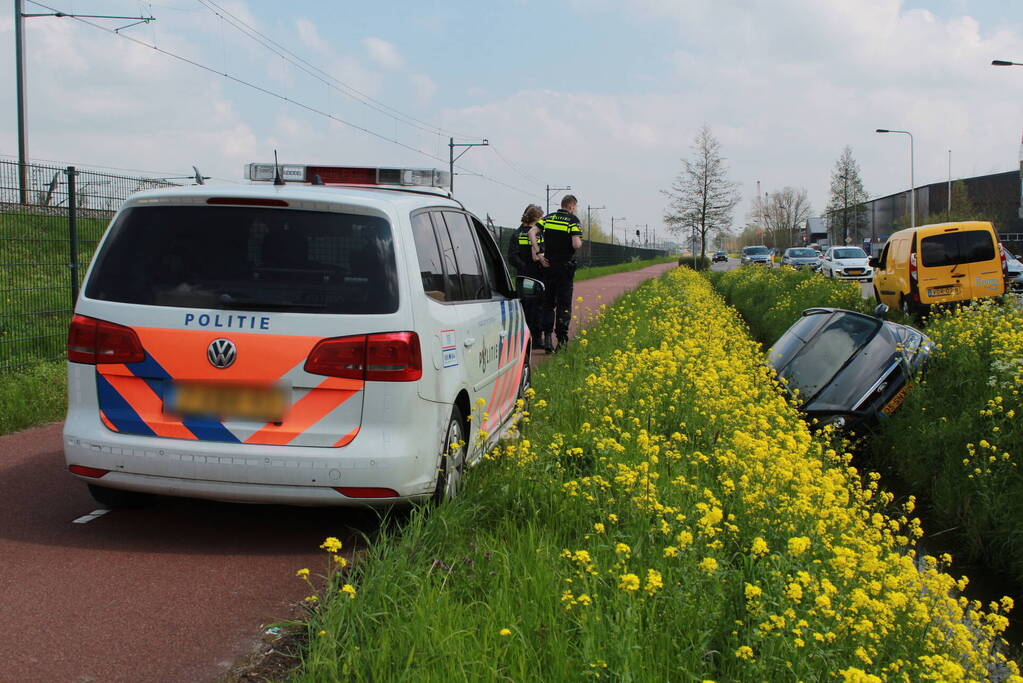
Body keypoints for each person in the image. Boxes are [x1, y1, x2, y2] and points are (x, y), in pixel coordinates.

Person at [538, 194, 583, 353]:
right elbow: (576, 244)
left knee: (548, 303)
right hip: (565, 269)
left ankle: (548, 338)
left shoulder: (548, 218)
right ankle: (561, 341)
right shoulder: (573, 220)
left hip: (549, 266)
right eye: (575, 207)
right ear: (571, 206)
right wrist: (579, 241)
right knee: (564, 304)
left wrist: (539, 254)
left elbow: (532, 232)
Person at [506, 204, 547, 345]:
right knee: (538, 306)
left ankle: (526, 339)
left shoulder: (516, 234)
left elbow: (512, 256)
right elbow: (542, 251)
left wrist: (523, 268)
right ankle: (536, 339)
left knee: (526, 307)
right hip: (536, 275)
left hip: (524, 276)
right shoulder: (538, 234)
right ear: (536, 218)